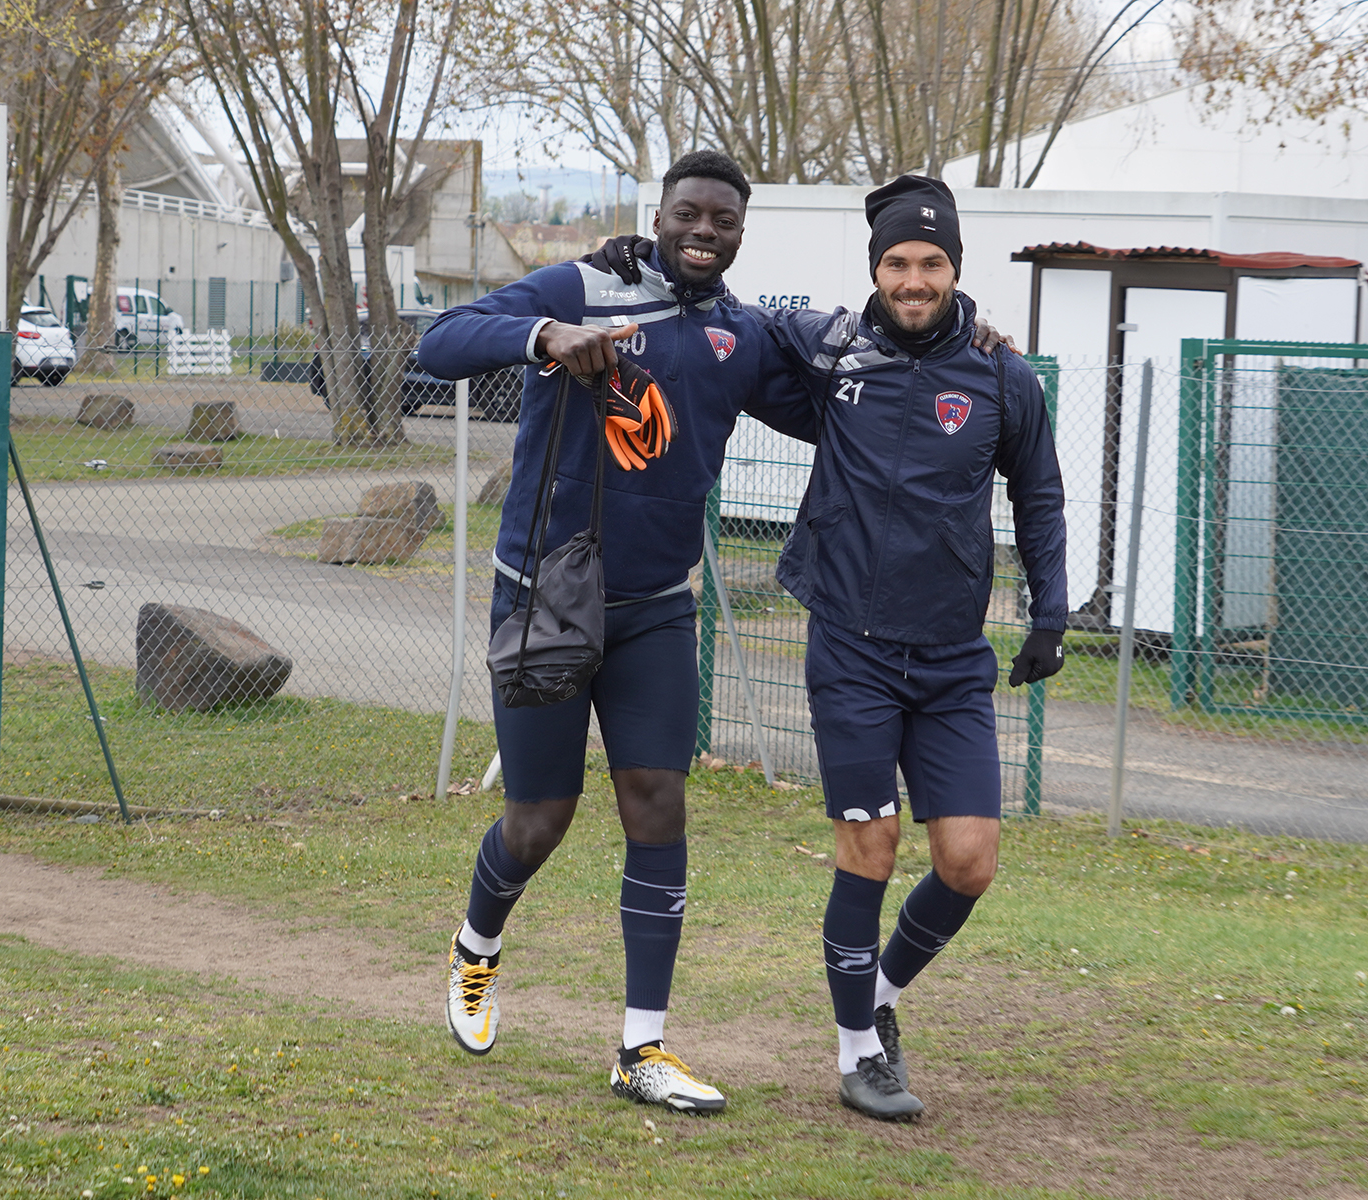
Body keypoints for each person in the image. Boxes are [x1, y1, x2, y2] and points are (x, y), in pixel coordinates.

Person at [416, 151, 1011, 1114]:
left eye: (722, 219)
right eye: (686, 214)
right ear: (659, 216)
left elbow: (853, 400)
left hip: (657, 606)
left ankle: (640, 1049)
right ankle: (477, 948)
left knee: (657, 808)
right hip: (546, 600)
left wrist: (956, 339)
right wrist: (548, 334)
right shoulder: (585, 285)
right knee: (541, 819)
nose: (704, 230)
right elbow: (440, 342)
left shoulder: (741, 333)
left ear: (740, 231)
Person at [764, 175, 1068, 1120]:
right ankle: (859, 1054)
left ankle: (882, 994)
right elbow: (728, 320)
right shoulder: (830, 354)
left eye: (930, 263)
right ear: (875, 270)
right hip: (850, 648)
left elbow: (1041, 496)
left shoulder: (1003, 376)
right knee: (872, 845)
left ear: (955, 271)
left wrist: (1050, 613)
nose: (913, 279)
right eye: (897, 262)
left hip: (950, 660)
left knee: (969, 859)